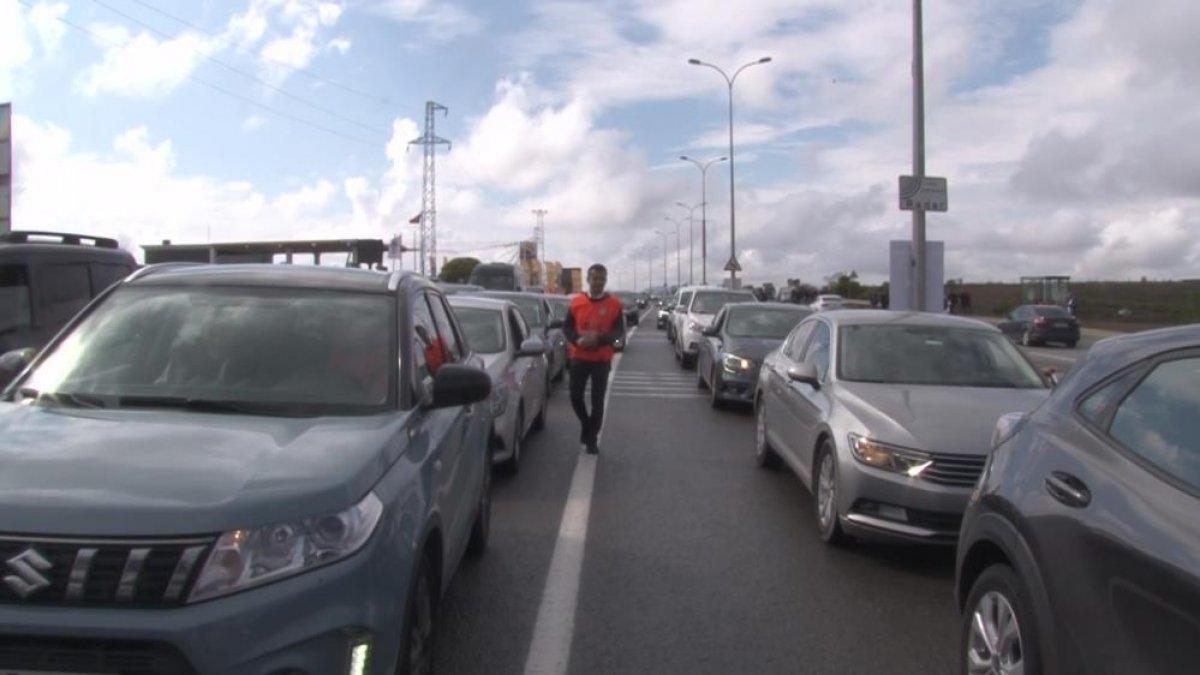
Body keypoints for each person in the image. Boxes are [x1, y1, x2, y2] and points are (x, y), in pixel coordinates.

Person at [563, 264, 626, 455]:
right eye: (594, 278)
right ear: (588, 280)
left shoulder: (614, 304)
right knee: (575, 397)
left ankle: (592, 439)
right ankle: (586, 425)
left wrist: (599, 339)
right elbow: (567, 328)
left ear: (605, 280)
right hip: (579, 357)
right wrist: (578, 339)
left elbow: (619, 332)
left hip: (601, 359)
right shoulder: (576, 302)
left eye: (601, 278)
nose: (597, 281)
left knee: (598, 401)